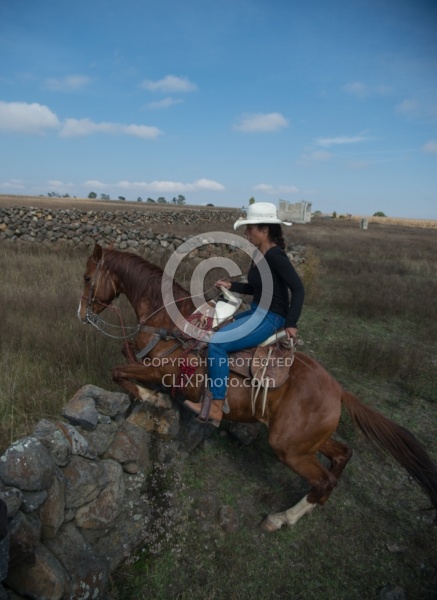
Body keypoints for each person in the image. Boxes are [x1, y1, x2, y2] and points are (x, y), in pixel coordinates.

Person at [184, 202, 305, 425]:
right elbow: (257, 288)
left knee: (218, 344)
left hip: (271, 317)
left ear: (265, 230)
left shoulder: (276, 257)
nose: (246, 233)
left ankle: (216, 407)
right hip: (257, 311)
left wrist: (291, 323)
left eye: (250, 228)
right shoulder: (259, 254)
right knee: (213, 328)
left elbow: (298, 289)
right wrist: (233, 286)